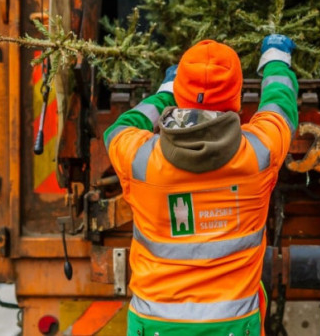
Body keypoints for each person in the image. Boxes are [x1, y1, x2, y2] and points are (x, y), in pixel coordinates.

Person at [104, 34, 298, 335]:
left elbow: (119, 129)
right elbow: (280, 107)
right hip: (233, 326)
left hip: (154, 326)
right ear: (235, 98)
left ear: (182, 92)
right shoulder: (258, 153)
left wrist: (166, 93)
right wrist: (276, 58)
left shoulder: (140, 159)